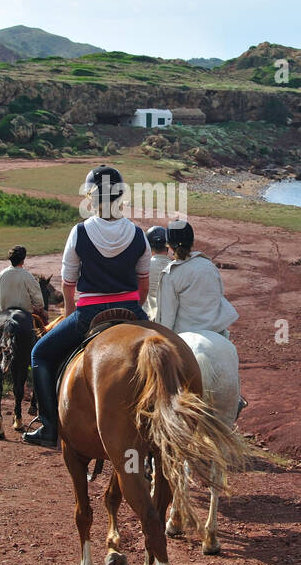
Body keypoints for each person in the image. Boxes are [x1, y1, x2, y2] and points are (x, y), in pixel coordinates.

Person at [23, 165, 151, 447]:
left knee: (40, 354)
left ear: (92, 198)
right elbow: (143, 286)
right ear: (121, 197)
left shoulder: (79, 232)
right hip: (132, 311)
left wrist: (71, 316)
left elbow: (69, 285)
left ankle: (49, 428)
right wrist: (133, 310)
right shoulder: (139, 234)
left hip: (89, 314)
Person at [156, 218, 246, 417]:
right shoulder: (209, 266)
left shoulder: (171, 274)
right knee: (228, 352)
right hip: (216, 332)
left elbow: (166, 319)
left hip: (184, 336)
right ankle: (237, 398)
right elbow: (218, 297)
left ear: (169, 246)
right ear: (192, 241)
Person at [0, 246, 47, 324]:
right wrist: (40, 308)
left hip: (4, 310)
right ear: (23, 260)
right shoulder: (28, 276)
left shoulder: (1, 274)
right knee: (44, 324)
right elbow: (37, 297)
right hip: (25, 312)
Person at [144, 225, 172, 318]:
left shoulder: (143, 266)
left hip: (148, 317)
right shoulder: (176, 267)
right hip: (171, 317)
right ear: (167, 245)